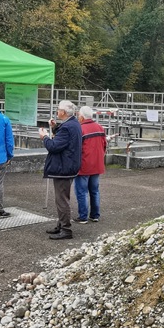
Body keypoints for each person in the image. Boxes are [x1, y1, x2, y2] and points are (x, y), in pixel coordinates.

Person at [40, 100, 82, 239]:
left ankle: (65, 229)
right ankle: (61, 225)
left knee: (61, 199)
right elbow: (64, 138)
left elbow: (54, 146)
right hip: (69, 166)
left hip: (63, 167)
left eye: (58, 110)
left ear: (63, 112)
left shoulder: (67, 127)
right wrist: (55, 127)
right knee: (62, 198)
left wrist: (44, 137)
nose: (57, 112)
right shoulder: (74, 123)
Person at [74, 105, 106, 223]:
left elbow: (76, 148)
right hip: (97, 164)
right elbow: (104, 145)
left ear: (81, 117)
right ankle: (95, 215)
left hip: (84, 165)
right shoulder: (100, 128)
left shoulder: (80, 129)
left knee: (81, 191)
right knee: (94, 190)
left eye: (78, 116)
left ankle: (83, 216)